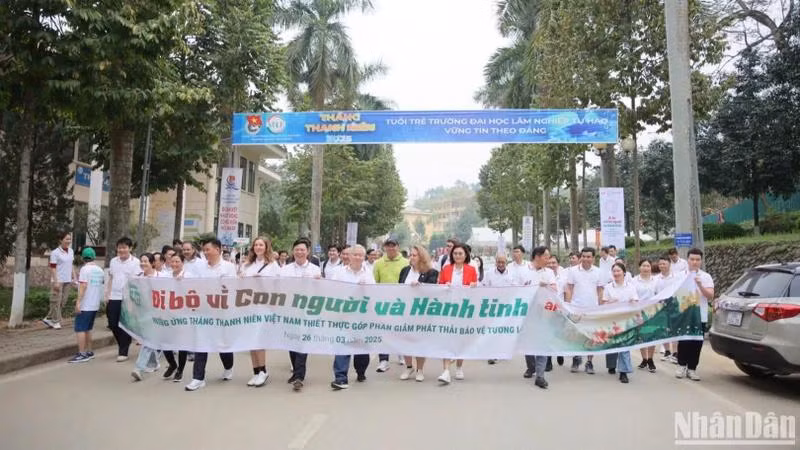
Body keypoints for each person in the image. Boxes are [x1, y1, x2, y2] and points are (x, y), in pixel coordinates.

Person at [185, 239, 238, 392]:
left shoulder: (228, 267)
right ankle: (198, 378)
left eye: (208, 249)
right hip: (203, 311)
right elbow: (191, 283)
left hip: (222, 312)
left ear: (217, 250)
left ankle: (228, 367)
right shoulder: (200, 267)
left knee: (222, 344)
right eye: (204, 250)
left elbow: (232, 288)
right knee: (201, 343)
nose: (205, 252)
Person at [329, 245, 374, 390]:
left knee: (361, 348)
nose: (358, 257)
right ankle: (340, 378)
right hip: (344, 314)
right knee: (342, 345)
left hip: (362, 315)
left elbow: (374, 294)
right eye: (355, 254)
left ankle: (361, 371)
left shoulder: (368, 274)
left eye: (361, 255)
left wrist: (365, 288)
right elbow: (332, 290)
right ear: (349, 256)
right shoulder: (339, 273)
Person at [280, 238, 322, 391]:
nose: (299, 252)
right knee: (292, 341)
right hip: (290, 310)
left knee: (303, 341)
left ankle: (299, 376)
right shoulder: (285, 270)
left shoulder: (315, 270)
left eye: (302, 249)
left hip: (307, 310)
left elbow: (320, 290)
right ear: (293, 251)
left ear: (308, 251)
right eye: (297, 249)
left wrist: (319, 281)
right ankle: (296, 372)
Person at [240, 237, 280, 388]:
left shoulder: (273, 265)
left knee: (259, 339)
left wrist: (262, 280)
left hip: (264, 305)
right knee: (251, 340)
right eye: (256, 245)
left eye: (261, 245)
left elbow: (278, 285)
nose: (258, 247)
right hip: (248, 305)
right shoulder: (247, 264)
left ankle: (263, 370)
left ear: (266, 247)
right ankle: (256, 371)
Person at [437, 243, 478, 384]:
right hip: (448, 309)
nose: (457, 256)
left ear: (466, 255)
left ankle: (459, 367)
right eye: (455, 253)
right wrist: (444, 286)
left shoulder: (471, 270)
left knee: (461, 339)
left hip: (463, 310)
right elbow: (439, 286)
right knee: (447, 339)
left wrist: (474, 286)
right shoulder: (446, 269)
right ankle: (446, 371)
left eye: (460, 253)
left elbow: (476, 290)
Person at [398, 245, 439, 381]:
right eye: (410, 255)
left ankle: (419, 369)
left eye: (414, 255)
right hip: (405, 311)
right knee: (405, 340)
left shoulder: (431, 272)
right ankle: (409, 366)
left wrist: (421, 286)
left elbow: (432, 290)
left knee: (420, 341)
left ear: (421, 257)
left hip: (421, 312)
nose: (411, 257)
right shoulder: (405, 270)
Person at [676, 248, 714, 382]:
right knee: (684, 341)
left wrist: (700, 285)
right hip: (685, 315)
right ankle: (681, 365)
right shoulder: (680, 275)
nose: (694, 262)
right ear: (687, 260)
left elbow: (710, 296)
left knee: (696, 343)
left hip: (700, 315)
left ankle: (692, 368)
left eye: (697, 259)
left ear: (701, 261)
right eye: (692, 259)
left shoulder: (706, 277)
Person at [565, 247, 605, 374]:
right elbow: (569, 289)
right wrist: (568, 307)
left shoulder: (598, 272)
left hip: (592, 310)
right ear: (580, 257)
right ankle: (576, 358)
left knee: (591, 337)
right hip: (576, 309)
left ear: (593, 258)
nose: (586, 259)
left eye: (588, 257)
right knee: (576, 336)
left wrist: (601, 308)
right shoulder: (573, 271)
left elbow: (600, 291)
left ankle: (589, 362)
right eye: (584, 256)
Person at [373, 238, 409, 373]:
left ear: (398, 247)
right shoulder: (378, 263)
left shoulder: (406, 262)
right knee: (383, 331)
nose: (391, 248)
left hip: (401, 302)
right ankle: (383, 360)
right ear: (385, 248)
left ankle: (401, 353)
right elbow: (375, 282)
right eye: (388, 246)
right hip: (384, 302)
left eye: (393, 246)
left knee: (400, 330)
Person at [525, 246, 557, 389]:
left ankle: (540, 375)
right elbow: (516, 288)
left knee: (542, 342)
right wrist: (534, 285)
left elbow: (554, 289)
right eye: (546, 257)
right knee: (529, 342)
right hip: (527, 312)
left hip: (544, 311)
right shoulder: (525, 270)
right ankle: (531, 367)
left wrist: (546, 286)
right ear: (537, 256)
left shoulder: (549, 272)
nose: (548, 260)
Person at [601, 262, 638, 384]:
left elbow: (635, 301)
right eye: (614, 271)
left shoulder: (630, 287)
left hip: (626, 319)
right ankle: (611, 365)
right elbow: (603, 304)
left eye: (618, 271)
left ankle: (623, 371)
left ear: (624, 273)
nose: (616, 273)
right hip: (612, 319)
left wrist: (633, 302)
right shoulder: (608, 287)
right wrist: (611, 302)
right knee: (612, 343)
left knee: (624, 344)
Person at [106, 237, 140, 362]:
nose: (122, 250)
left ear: (130, 248)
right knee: (112, 323)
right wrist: (107, 293)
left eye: (124, 247)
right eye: (119, 247)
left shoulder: (136, 262)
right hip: (114, 296)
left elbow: (137, 281)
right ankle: (123, 344)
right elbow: (111, 278)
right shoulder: (113, 261)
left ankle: (123, 351)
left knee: (125, 324)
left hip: (128, 297)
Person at [67, 247, 104, 363]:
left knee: (80, 329)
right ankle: (89, 351)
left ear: (83, 258)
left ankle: (82, 354)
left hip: (86, 304)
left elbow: (84, 286)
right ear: (94, 257)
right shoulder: (100, 270)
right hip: (95, 304)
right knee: (88, 328)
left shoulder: (84, 269)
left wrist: (78, 302)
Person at [131, 253, 163, 381]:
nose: (143, 263)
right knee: (148, 339)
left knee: (148, 339)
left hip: (157, 313)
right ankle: (154, 363)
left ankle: (138, 368)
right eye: (142, 261)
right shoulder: (137, 277)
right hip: (142, 313)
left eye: (146, 261)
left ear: (152, 263)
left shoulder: (161, 277)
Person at [162, 252, 191, 382]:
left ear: (182, 263)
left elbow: (194, 293)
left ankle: (180, 370)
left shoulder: (188, 276)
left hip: (183, 314)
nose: (174, 264)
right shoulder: (166, 276)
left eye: (177, 261)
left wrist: (183, 283)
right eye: (172, 261)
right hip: (168, 313)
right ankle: (172, 364)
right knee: (164, 341)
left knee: (182, 343)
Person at [45, 231, 76, 330]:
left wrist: (74, 277)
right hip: (58, 280)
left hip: (68, 280)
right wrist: (56, 281)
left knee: (63, 301)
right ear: (60, 240)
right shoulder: (55, 253)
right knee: (56, 301)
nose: (69, 241)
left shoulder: (71, 251)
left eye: (70, 239)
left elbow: (71, 265)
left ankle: (48, 318)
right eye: (67, 239)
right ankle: (56, 321)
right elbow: (53, 267)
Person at [634, 259, 659, 372]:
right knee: (641, 336)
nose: (646, 268)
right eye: (643, 266)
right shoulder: (634, 281)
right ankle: (644, 359)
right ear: (639, 267)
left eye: (648, 266)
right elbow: (633, 296)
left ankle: (650, 359)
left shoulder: (656, 280)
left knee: (652, 335)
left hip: (653, 311)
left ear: (651, 267)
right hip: (639, 311)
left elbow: (660, 295)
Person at [657, 255, 680, 364]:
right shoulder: (656, 279)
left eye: (664, 264)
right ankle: (667, 351)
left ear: (669, 264)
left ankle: (675, 353)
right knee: (663, 329)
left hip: (674, 306)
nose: (662, 266)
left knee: (674, 329)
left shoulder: (676, 277)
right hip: (661, 307)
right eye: (660, 264)